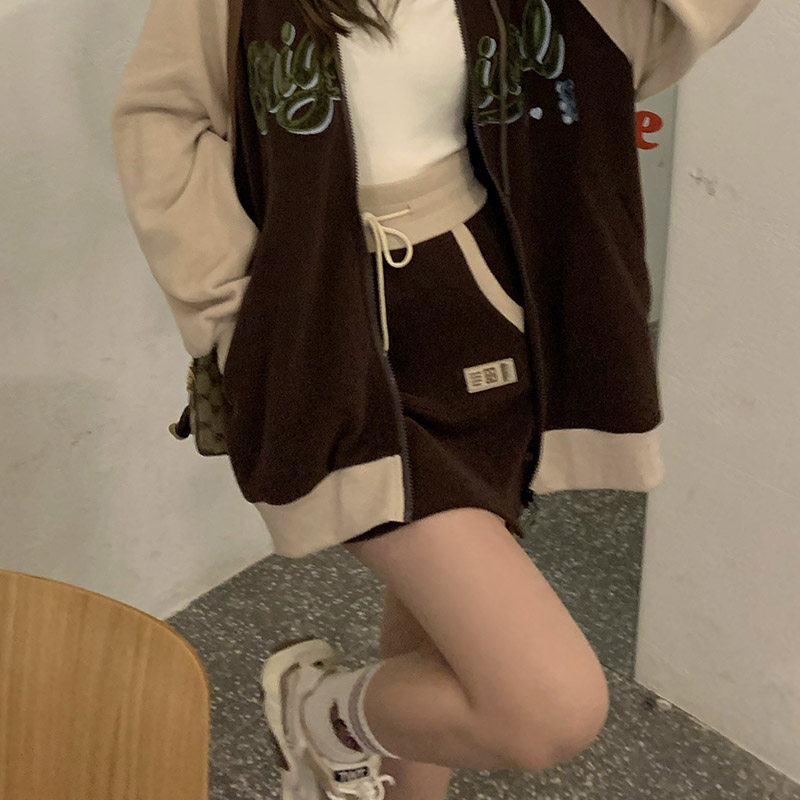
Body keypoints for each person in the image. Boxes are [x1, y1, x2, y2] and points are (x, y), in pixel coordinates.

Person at [110, 0, 761, 797]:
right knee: (547, 707)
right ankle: (318, 711)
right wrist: (232, 312)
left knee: (441, 644)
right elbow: (162, 117)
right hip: (327, 332)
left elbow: (654, 34)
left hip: (484, 317)